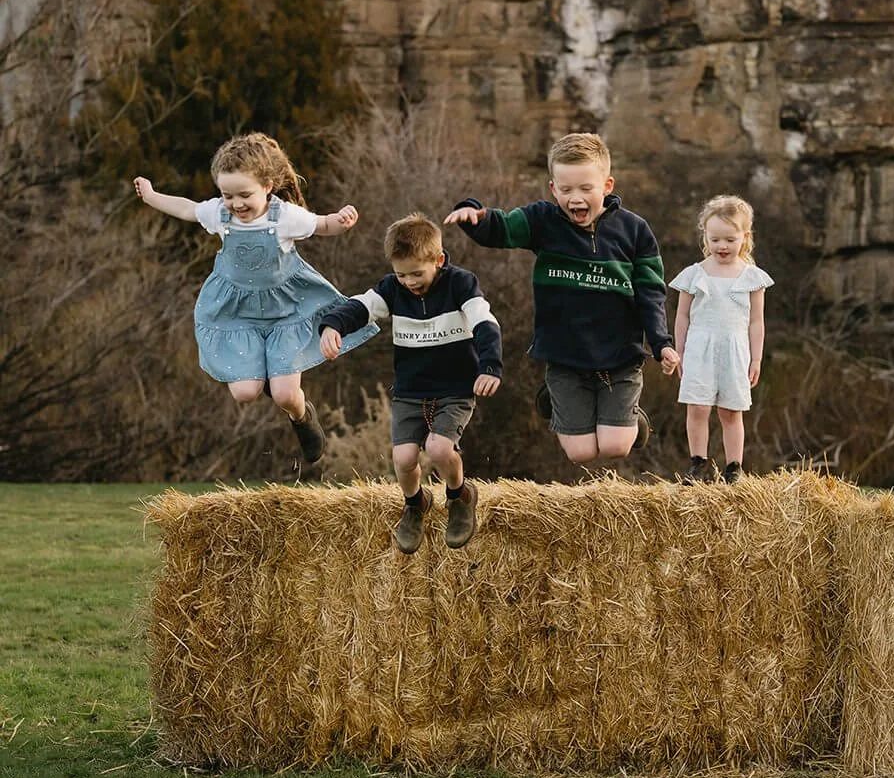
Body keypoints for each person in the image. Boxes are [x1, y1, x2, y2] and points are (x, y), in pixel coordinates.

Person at [134, 132, 376, 464]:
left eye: (244, 195)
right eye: (227, 195)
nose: (236, 204)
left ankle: (303, 417)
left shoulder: (285, 217)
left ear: (268, 185)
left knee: (286, 395)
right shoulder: (221, 214)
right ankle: (269, 370)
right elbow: (189, 209)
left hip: (286, 312)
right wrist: (152, 196)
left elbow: (322, 225)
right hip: (236, 312)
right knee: (245, 392)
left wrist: (341, 221)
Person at [444, 132, 678, 467]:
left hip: (619, 355)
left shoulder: (635, 231)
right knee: (581, 453)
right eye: (566, 190)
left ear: (607, 186)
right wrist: (475, 215)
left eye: (586, 189)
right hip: (566, 356)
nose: (575, 198)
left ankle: (630, 417)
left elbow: (651, 294)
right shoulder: (544, 221)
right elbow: (504, 228)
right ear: (553, 189)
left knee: (616, 447)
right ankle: (559, 399)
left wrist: (661, 343)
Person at [318, 212, 502, 552]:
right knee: (403, 459)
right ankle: (415, 504)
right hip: (410, 393)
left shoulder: (460, 284)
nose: (410, 282)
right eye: (401, 274)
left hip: (455, 390)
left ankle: (459, 496)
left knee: (438, 448)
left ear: (439, 259)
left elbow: (484, 322)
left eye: (417, 273)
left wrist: (490, 365)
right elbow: (361, 306)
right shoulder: (393, 289)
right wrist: (333, 326)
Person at [669, 194, 773, 484]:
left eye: (729, 239)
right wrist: (680, 351)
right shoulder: (694, 274)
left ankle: (734, 468)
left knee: (730, 411)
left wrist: (756, 358)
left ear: (744, 237)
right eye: (715, 239)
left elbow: (756, 321)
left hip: (735, 350)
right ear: (706, 236)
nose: (722, 246)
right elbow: (682, 317)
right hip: (699, 349)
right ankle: (698, 462)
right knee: (698, 407)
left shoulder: (752, 277)